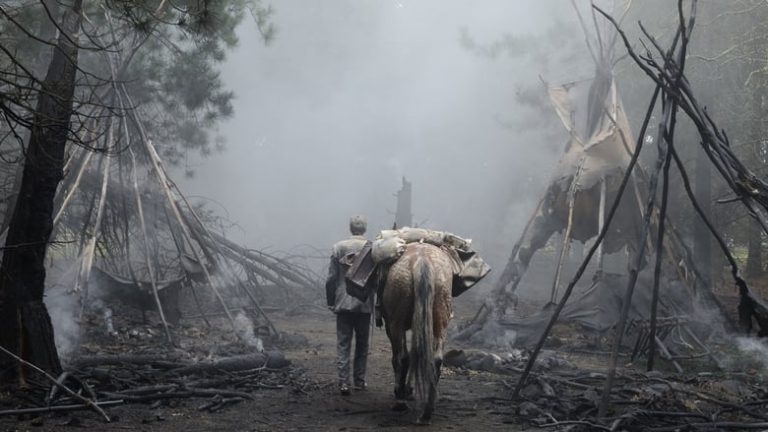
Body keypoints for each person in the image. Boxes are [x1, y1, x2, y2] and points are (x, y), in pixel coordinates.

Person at [325, 215, 373, 396]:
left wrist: (331, 300)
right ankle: (359, 381)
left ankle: (344, 383)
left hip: (343, 303)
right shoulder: (372, 248)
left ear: (350, 228)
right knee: (362, 345)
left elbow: (331, 279)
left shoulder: (338, 248)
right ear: (365, 229)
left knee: (343, 343)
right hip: (364, 302)